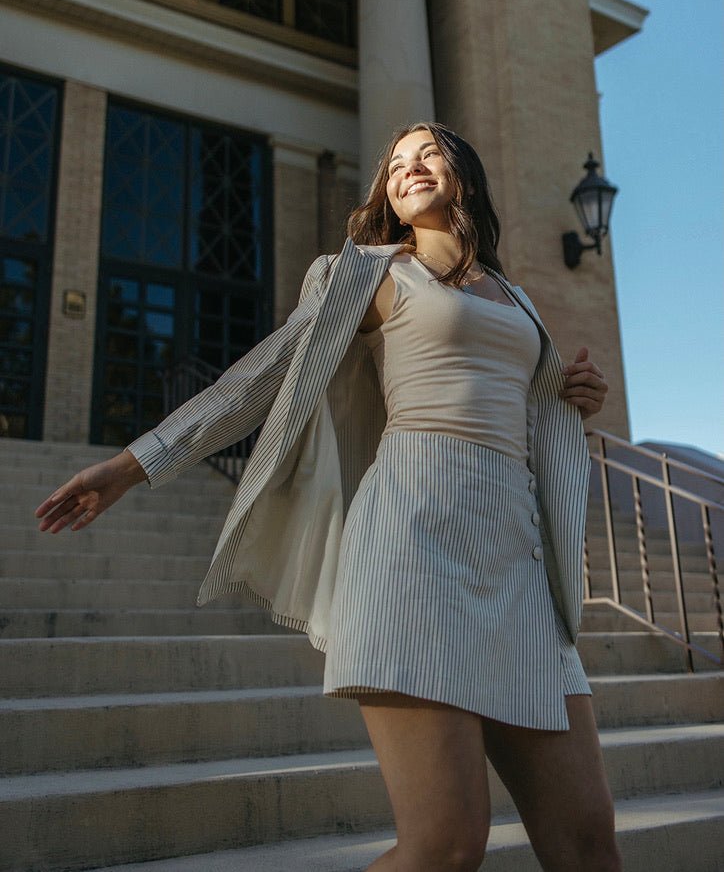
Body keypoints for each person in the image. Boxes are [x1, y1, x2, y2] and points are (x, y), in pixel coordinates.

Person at [35, 122, 617, 872]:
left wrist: (573, 398)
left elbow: (519, 406)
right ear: (387, 196)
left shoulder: (518, 297)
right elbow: (259, 376)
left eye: (427, 153)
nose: (410, 168)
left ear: (463, 173)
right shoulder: (372, 274)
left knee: (590, 844)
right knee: (445, 848)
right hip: (414, 549)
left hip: (518, 566)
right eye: (397, 163)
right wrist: (131, 464)